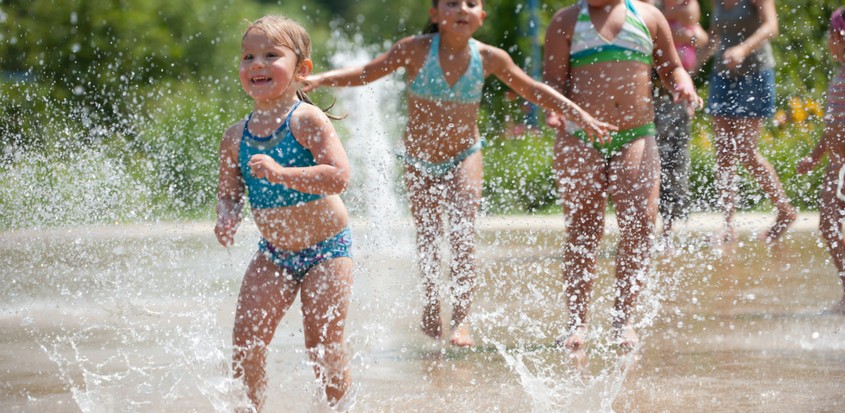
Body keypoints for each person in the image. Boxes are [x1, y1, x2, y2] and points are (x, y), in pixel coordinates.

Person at [305, 0, 614, 348]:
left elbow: (533, 89)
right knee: (429, 238)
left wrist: (578, 114)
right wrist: (320, 79)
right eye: (452, 3)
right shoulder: (415, 50)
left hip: (465, 155)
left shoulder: (489, 58)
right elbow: (366, 73)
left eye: (471, 3)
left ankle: (462, 319)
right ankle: (432, 303)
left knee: (463, 238)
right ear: (435, 14)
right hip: (418, 159)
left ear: (481, 16)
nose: (462, 9)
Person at [543, 0, 702, 351]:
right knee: (584, 226)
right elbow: (553, 81)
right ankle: (576, 322)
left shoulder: (648, 17)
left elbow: (671, 67)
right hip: (580, 136)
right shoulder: (566, 21)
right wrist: (555, 111)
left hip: (636, 134)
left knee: (642, 223)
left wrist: (683, 84)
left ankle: (623, 320)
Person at [215, 15, 354, 411]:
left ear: (301, 69)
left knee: (323, 345)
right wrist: (227, 216)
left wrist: (282, 173)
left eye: (271, 55)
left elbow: (339, 176)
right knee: (246, 342)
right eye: (248, 56)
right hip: (273, 252)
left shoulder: (306, 120)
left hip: (327, 251)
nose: (257, 64)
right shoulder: (234, 136)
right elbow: (229, 193)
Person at [702, 0, 796, 245]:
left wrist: (743, 49)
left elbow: (771, 27)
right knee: (723, 153)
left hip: (756, 75)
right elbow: (714, 36)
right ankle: (728, 226)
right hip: (722, 75)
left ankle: (785, 210)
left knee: (746, 152)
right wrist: (687, 69)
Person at [643, 0, 709, 241]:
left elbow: (698, 34)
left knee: (674, 161)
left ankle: (669, 230)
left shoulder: (679, 5)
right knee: (645, 160)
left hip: (673, 93)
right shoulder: (646, 7)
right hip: (646, 91)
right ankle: (644, 229)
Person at [795, 6, 845, 315]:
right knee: (828, 225)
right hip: (836, 166)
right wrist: (815, 156)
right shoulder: (838, 77)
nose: (828, 40)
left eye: (831, 33)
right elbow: (832, 127)